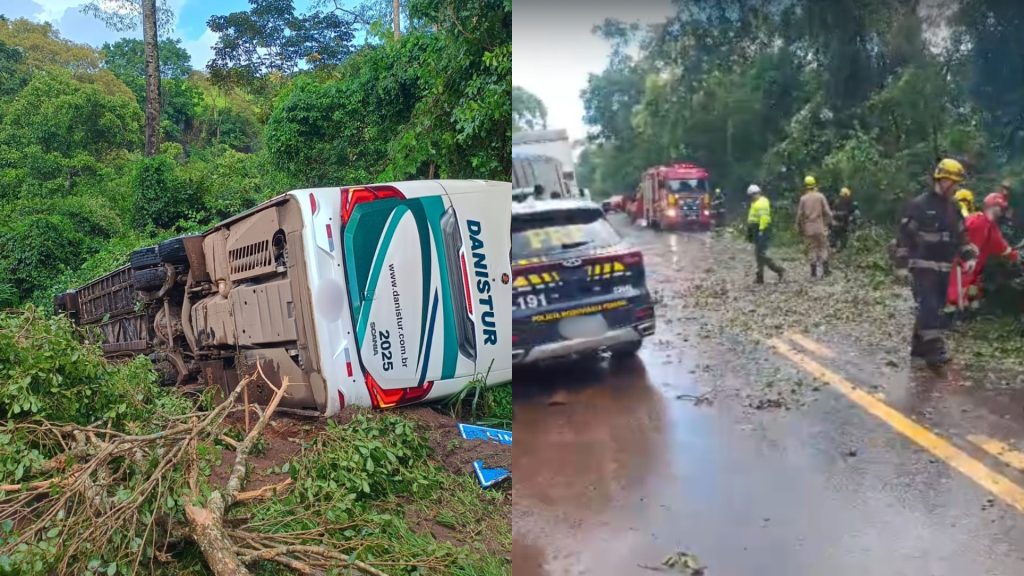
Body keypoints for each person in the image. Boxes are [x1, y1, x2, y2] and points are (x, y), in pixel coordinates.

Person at [895, 158, 979, 368]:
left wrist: (968, 256)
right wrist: (901, 265)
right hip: (922, 264)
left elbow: (961, 235)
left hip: (944, 266)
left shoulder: (953, 208)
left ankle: (918, 354)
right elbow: (904, 236)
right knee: (929, 307)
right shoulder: (919, 205)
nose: (956, 187)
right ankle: (934, 351)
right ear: (942, 180)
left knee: (933, 308)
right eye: (954, 182)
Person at [945, 193, 1020, 313]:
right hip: (960, 269)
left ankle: (965, 310)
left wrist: (1016, 256)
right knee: (955, 300)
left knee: (973, 296)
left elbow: (1003, 248)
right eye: (1000, 207)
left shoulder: (992, 227)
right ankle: (952, 308)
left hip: (974, 274)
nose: (1002, 211)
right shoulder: (976, 221)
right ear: (992, 206)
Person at [796, 175, 833, 278]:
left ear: (805, 186)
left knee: (812, 248)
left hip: (808, 228)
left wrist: (799, 227)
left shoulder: (803, 199)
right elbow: (828, 212)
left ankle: (813, 272)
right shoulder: (820, 196)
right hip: (820, 226)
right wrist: (828, 223)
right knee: (823, 247)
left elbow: (799, 215)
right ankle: (825, 270)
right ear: (814, 185)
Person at [747, 184, 784, 284]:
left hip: (761, 229)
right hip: (756, 229)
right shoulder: (755, 202)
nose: (751, 197)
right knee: (758, 254)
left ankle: (778, 269)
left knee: (761, 254)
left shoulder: (762, 202)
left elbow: (764, 218)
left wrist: (761, 230)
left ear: (756, 193)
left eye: (752, 195)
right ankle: (760, 276)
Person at [830, 187, 860, 251]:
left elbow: (832, 212)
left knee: (835, 236)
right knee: (842, 237)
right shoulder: (848, 203)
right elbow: (851, 212)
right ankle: (839, 248)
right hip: (843, 223)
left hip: (836, 223)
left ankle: (834, 247)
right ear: (846, 195)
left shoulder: (836, 202)